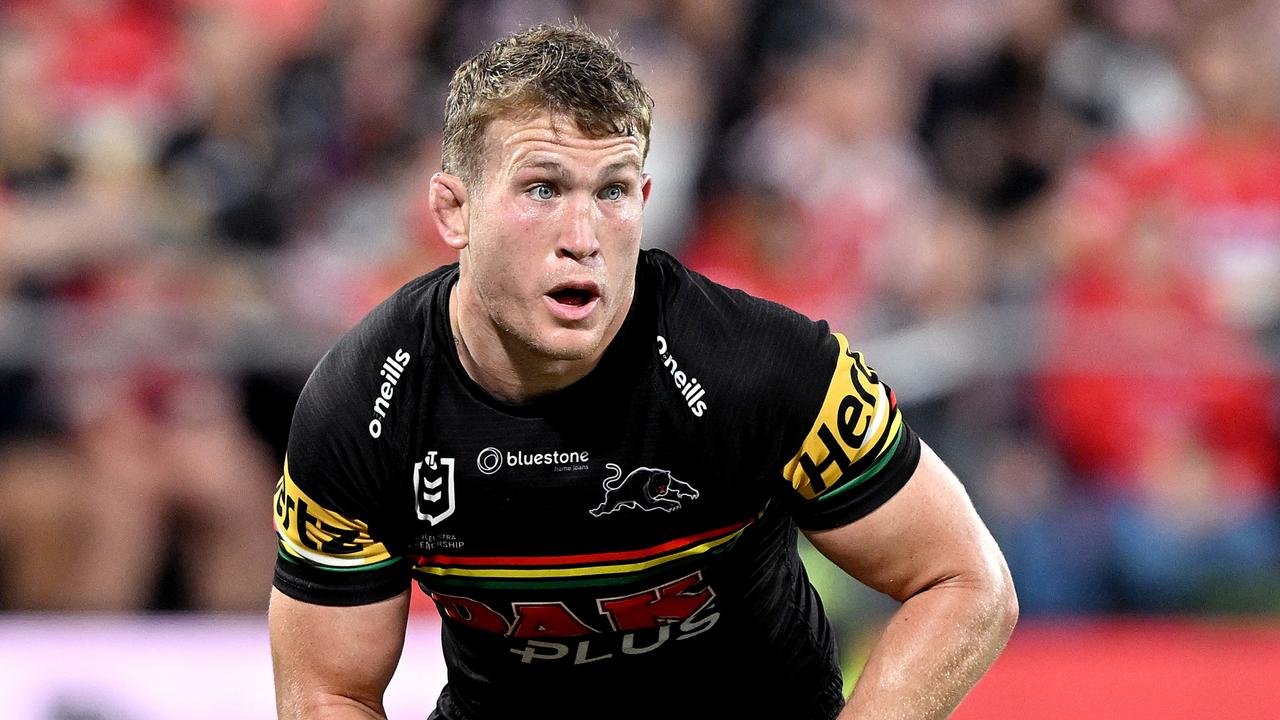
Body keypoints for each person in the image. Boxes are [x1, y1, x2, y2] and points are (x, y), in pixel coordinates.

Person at [268, 22, 1018, 720]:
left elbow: (965, 579)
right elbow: (331, 689)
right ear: (453, 210)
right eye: (542, 188)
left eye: (613, 191)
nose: (583, 236)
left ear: (646, 202)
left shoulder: (761, 366)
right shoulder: (360, 405)